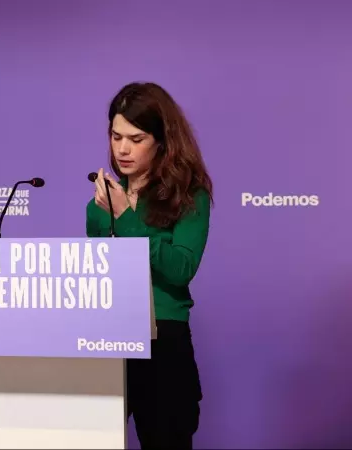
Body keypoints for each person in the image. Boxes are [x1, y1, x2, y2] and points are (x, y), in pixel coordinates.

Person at [86, 82, 212, 449]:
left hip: (164, 342)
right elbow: (97, 279)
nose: (122, 148)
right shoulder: (98, 206)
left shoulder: (188, 195)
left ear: (161, 139)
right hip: (106, 343)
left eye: (136, 138)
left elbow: (181, 268)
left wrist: (126, 219)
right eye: (115, 136)